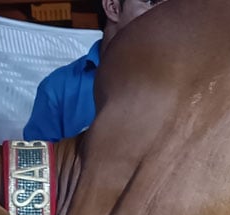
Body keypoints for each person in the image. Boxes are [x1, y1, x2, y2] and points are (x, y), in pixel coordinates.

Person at [23, 0, 164, 141]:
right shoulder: (58, 89)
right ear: (113, 7)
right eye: (151, 2)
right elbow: (38, 160)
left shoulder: (180, 83)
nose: (169, 13)